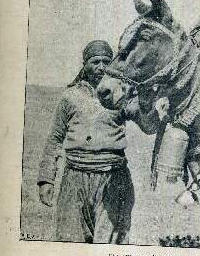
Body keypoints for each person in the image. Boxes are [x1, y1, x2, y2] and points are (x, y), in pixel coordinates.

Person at [37, 40, 139, 244]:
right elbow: (55, 139)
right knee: (70, 243)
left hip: (113, 178)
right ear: (85, 64)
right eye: (95, 62)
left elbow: (146, 120)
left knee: (111, 247)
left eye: (106, 62)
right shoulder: (70, 96)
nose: (101, 67)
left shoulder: (121, 96)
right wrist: (46, 179)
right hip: (74, 178)